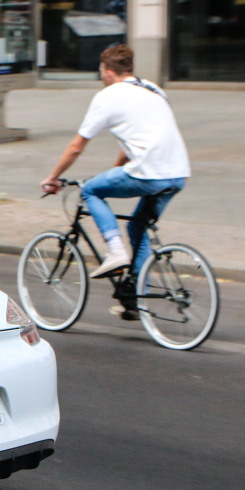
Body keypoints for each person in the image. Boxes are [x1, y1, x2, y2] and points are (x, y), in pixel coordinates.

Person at [39, 43, 190, 317]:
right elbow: (133, 139)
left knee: (91, 191)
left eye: (100, 71)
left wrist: (53, 177)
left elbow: (76, 146)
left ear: (108, 72)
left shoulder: (108, 96)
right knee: (138, 229)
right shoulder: (153, 89)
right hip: (178, 174)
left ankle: (116, 251)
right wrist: (114, 169)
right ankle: (135, 300)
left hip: (148, 172)